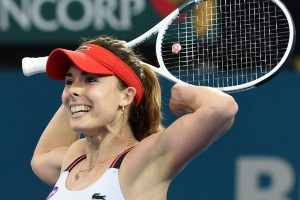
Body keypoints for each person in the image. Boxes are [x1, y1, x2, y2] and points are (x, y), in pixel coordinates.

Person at [31, 36, 238, 200]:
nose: (74, 89)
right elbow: (41, 158)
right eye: (69, 81)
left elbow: (221, 108)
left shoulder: (141, 161)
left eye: (91, 79)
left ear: (126, 96)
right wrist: (75, 98)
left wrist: (180, 92)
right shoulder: (75, 158)